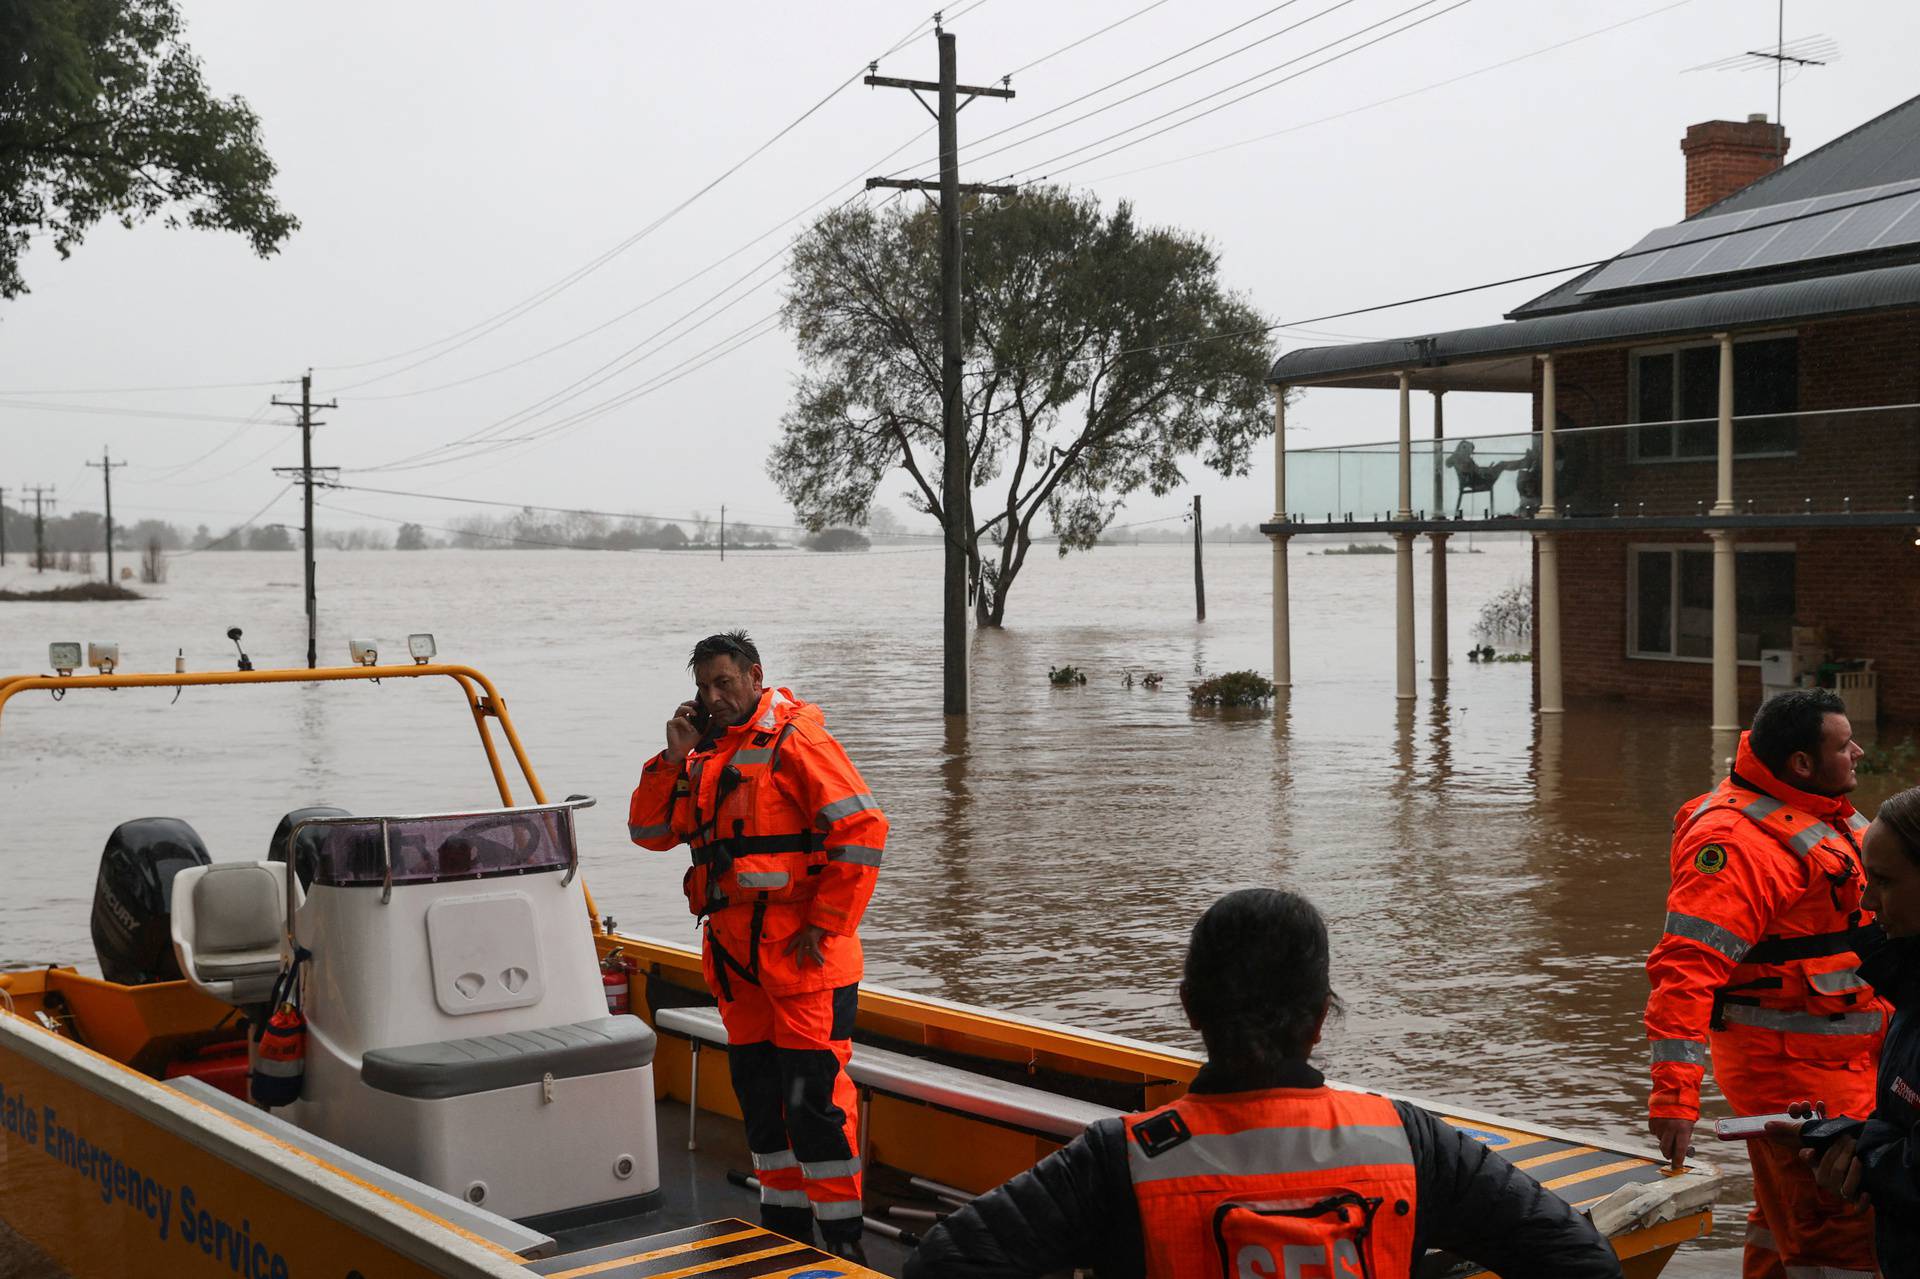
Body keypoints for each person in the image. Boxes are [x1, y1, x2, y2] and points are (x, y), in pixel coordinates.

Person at [905, 889, 1624, 1279]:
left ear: (1190, 1008)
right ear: (1319, 1019)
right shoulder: (1409, 1142)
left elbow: (944, 1263)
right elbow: (1581, 1262)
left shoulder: (1120, 1160)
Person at [629, 631, 886, 1259]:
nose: (715, 697)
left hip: (804, 962)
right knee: (764, 1108)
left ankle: (844, 1246)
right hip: (737, 963)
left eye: (725, 683)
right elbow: (648, 831)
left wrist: (823, 927)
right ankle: (786, 1233)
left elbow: (861, 830)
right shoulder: (702, 755)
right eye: (704, 687)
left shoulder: (797, 739)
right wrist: (672, 759)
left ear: (754, 676)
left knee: (816, 1109)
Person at [1644, 688, 1886, 1277]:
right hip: (1794, 1071)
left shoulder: (1820, 810)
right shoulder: (1736, 844)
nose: (1857, 751)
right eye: (1842, 744)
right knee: (1843, 1230)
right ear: (1801, 763)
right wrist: (1676, 1096)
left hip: (1842, 1058)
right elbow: (1685, 970)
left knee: (1784, 1221)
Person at [1768, 785, 1920, 1276]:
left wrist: (1862, 1154)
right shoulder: (1910, 989)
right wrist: (1853, 1142)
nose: (1868, 901)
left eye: (1883, 880)